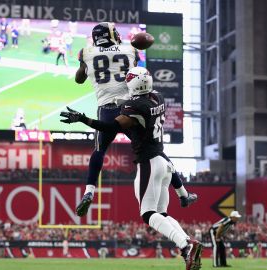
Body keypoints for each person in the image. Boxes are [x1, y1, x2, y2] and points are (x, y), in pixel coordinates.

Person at [60, 66, 203, 270]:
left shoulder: (134, 108)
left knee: (148, 214)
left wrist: (83, 119)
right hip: (164, 163)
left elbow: (111, 127)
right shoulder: (158, 98)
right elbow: (139, 103)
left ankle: (186, 245)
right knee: (161, 214)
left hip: (149, 163)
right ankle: (187, 246)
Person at [73, 22, 197, 217]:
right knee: (154, 150)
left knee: (99, 150)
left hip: (105, 109)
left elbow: (79, 79)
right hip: (129, 108)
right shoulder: (130, 50)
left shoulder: (86, 53)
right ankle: (183, 193)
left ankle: (89, 191)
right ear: (112, 35)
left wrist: (84, 65)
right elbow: (135, 73)